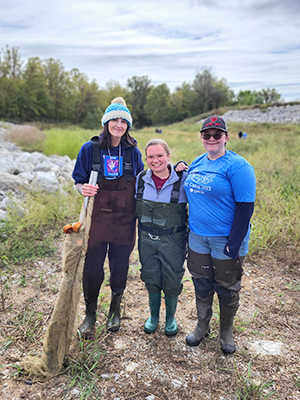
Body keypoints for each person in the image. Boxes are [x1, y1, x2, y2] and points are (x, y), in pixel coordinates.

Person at [184, 116, 256, 354]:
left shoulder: (238, 166)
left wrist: (233, 245)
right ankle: (202, 326)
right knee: (201, 283)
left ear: (226, 137)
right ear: (202, 138)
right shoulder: (197, 162)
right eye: (207, 135)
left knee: (227, 287)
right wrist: (178, 166)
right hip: (197, 237)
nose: (212, 139)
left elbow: (245, 208)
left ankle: (226, 330)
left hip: (225, 240)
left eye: (217, 134)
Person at [72, 97, 144, 336]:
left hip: (124, 222)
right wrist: (83, 188)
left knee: (120, 266)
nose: (119, 124)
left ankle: (115, 308)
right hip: (96, 221)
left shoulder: (133, 152)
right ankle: (90, 314)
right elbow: (78, 182)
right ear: (106, 122)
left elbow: (144, 182)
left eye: (124, 121)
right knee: (92, 269)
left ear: (128, 126)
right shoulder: (89, 149)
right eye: (115, 119)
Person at [135, 139, 188, 336]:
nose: (155, 160)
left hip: (173, 240)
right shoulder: (140, 179)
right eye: (150, 156)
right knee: (150, 276)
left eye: (160, 155)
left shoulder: (183, 179)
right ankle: (154, 317)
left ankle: (170, 318)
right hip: (146, 239)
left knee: (173, 277)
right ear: (146, 158)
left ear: (168, 156)